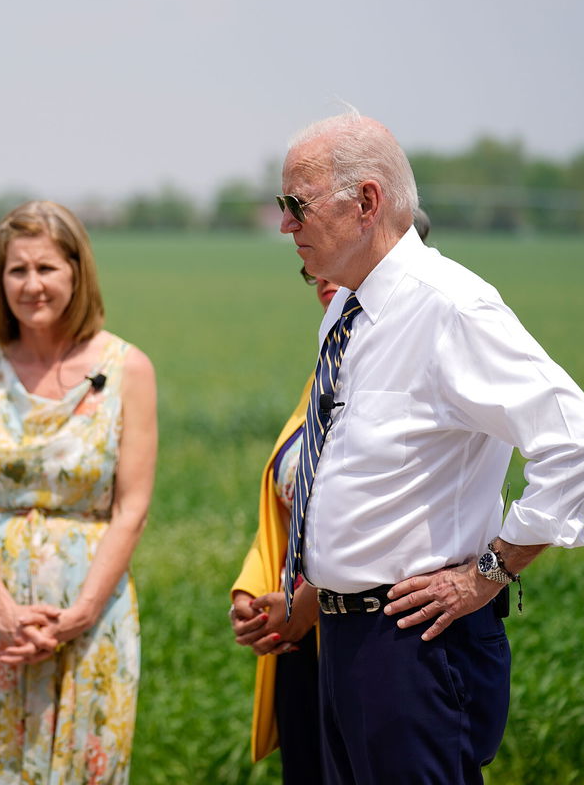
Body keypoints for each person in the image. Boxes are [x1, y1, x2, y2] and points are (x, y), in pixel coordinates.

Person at [247, 112, 584, 784]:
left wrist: (489, 574)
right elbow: (362, 483)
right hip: (345, 640)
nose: (285, 225)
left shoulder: (452, 307)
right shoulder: (347, 310)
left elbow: (582, 445)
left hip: (414, 647)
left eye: (296, 206)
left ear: (366, 202)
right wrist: (309, 604)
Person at [0, 200, 158, 784]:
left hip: (90, 618)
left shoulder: (128, 369)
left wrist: (78, 614)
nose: (32, 284)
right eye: (16, 270)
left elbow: (132, 508)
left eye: (46, 268)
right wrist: (3, 610)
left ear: (77, 271)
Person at [229, 211, 430, 781]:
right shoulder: (331, 363)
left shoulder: (407, 359)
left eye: (334, 258)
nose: (319, 276)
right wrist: (255, 594)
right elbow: (293, 499)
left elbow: (392, 513)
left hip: (374, 636)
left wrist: (305, 605)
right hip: (303, 638)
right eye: (312, 270)